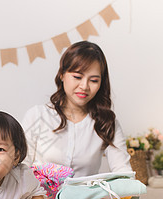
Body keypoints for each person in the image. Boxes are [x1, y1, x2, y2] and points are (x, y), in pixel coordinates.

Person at [22, 41, 132, 177]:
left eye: (94, 80)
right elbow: (22, 169)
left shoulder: (107, 122)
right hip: (40, 197)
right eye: (77, 77)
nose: (84, 86)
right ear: (62, 74)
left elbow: (123, 172)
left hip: (86, 198)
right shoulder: (37, 115)